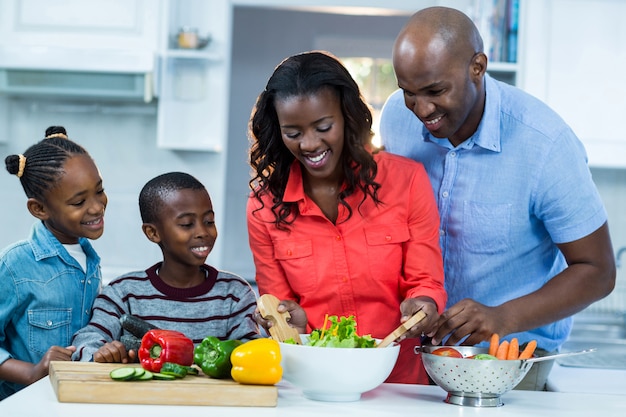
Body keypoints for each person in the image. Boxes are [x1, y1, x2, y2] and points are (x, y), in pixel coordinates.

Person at [379, 7, 616, 390]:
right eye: (409, 93)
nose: (421, 110)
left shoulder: (546, 145)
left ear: (477, 67)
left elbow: (598, 271)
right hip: (419, 354)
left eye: (436, 91)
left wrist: (502, 317)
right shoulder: (396, 118)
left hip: (509, 359)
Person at [246, 51, 446, 384]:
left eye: (323, 127)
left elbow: (426, 280)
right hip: (313, 382)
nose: (309, 144)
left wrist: (424, 304)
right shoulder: (264, 206)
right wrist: (285, 319)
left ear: (348, 117)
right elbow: (280, 303)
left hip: (399, 385)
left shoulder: (406, 181)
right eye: (293, 133)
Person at [71, 172, 259, 363]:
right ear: (152, 233)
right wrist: (102, 353)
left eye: (209, 221)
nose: (203, 232)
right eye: (187, 224)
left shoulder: (235, 294)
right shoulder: (123, 293)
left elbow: (252, 354)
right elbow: (87, 341)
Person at [0, 126, 107, 400]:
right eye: (79, 201)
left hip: (74, 402)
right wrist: (32, 371)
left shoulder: (90, 260)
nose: (96, 207)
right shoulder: (15, 265)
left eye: (99, 191)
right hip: (25, 406)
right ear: (40, 209)